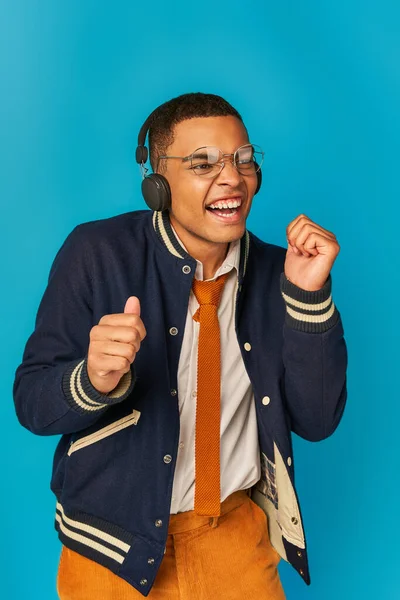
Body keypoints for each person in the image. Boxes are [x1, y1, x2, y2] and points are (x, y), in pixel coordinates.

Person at [13, 92, 348, 599]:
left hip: (235, 537)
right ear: (156, 183)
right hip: (111, 546)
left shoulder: (284, 272)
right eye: (202, 163)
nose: (232, 177)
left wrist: (308, 298)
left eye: (243, 159)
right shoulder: (95, 253)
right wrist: (93, 379)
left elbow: (317, 421)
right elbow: (32, 405)